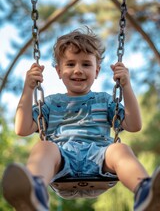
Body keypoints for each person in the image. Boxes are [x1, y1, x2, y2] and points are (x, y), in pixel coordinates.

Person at [2, 27, 160, 211]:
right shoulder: (51, 103)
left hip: (100, 158)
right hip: (61, 160)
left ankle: (145, 192)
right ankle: (34, 192)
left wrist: (126, 86)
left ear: (97, 71)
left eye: (86, 64)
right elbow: (22, 129)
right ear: (59, 71)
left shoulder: (105, 100)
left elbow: (134, 125)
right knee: (44, 147)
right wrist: (28, 89)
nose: (78, 70)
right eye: (70, 64)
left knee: (120, 149)